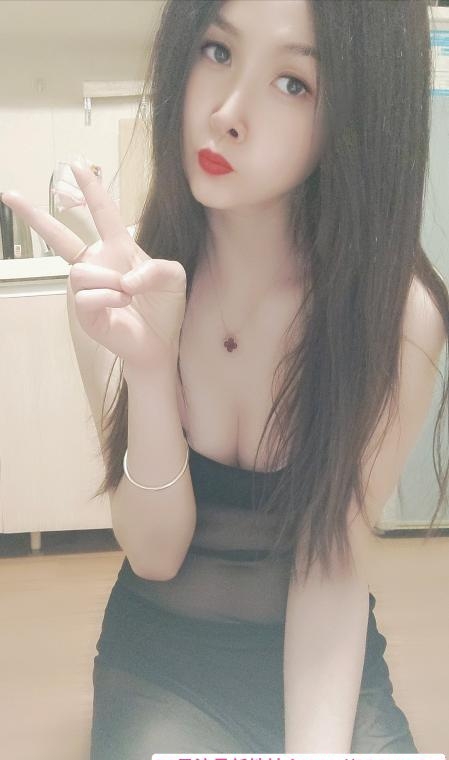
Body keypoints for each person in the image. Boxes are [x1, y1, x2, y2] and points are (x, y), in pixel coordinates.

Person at [3, 0, 448, 755]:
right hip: (163, 661)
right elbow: (154, 555)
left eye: (293, 83)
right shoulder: (125, 282)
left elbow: (331, 565)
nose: (228, 113)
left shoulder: (396, 317)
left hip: (323, 653)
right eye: (217, 51)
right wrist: (150, 370)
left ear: (358, 112)